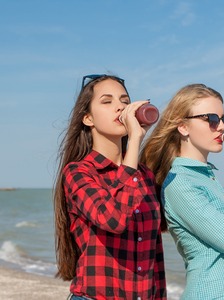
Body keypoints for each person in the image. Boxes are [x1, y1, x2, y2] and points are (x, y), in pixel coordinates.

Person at [140, 83, 224, 299]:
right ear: (183, 126)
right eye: (212, 119)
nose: (222, 127)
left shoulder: (204, 177)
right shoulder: (180, 184)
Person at [53, 74, 166, 300]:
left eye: (124, 101)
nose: (120, 107)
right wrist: (135, 141)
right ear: (88, 119)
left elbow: (154, 254)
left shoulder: (144, 175)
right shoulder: (78, 173)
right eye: (107, 101)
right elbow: (113, 219)